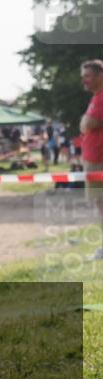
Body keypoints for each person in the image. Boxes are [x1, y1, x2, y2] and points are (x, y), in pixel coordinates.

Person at [79, 59, 103, 260]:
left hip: (99, 159)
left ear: (100, 75)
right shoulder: (96, 97)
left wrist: (85, 122)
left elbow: (88, 124)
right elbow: (86, 124)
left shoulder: (101, 97)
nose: (84, 80)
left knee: (101, 202)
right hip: (94, 158)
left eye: (87, 76)